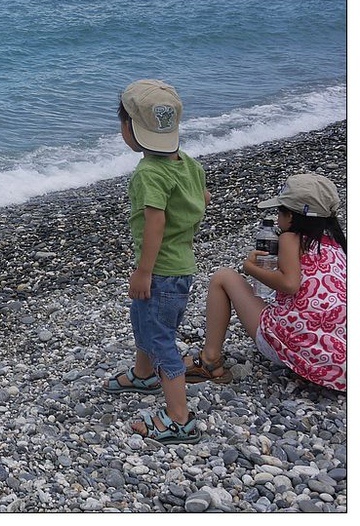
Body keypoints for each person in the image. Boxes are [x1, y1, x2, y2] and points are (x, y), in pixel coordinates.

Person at [104, 79, 210, 444]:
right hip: (181, 266)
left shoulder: (149, 173)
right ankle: (143, 374)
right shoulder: (188, 165)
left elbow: (155, 221)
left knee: (160, 336)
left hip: (160, 271)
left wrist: (143, 270)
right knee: (144, 320)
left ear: (130, 129)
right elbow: (203, 197)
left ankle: (180, 418)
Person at [183, 173, 346, 393]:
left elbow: (289, 284)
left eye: (280, 212)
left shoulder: (291, 238)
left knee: (222, 277)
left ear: (292, 216)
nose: (278, 219)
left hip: (298, 345)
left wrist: (250, 269)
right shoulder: (336, 245)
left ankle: (209, 360)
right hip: (337, 357)